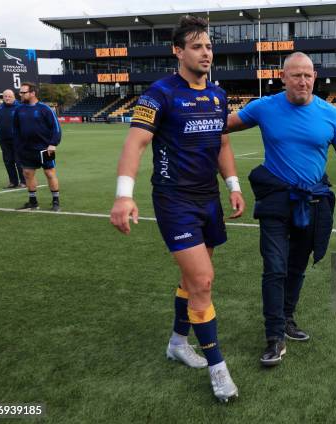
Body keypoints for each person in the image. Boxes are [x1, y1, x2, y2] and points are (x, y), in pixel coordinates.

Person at [109, 16, 244, 402]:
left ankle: (177, 343)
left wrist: (232, 186)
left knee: (193, 280)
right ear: (178, 51)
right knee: (202, 281)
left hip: (208, 199)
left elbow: (221, 145)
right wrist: (123, 194)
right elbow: (135, 143)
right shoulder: (159, 94)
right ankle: (219, 370)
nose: (206, 53)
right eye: (197, 46)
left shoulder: (218, 95)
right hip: (174, 201)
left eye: (209, 46)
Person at [227, 52, 336, 367]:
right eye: (296, 75)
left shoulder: (329, 113)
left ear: (315, 77)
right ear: (283, 77)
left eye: (308, 75)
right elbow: (222, 126)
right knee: (275, 267)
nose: (302, 81)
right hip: (275, 202)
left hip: (312, 203)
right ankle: (274, 336)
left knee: (297, 267)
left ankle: (287, 318)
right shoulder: (264, 107)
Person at [13, 82, 61, 211]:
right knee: (28, 173)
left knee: (49, 173)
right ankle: (33, 202)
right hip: (27, 149)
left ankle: (56, 201)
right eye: (20, 92)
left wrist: (53, 144)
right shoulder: (19, 109)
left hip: (45, 148)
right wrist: (18, 146)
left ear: (33, 93)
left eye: (23, 92)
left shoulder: (45, 109)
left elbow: (56, 128)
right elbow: (16, 129)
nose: (21, 95)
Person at [0, 90, 26, 189]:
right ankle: (13, 181)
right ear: (3, 97)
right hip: (3, 139)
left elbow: (24, 123)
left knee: (19, 161)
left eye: (9, 96)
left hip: (17, 139)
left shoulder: (20, 107)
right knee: (8, 161)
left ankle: (24, 181)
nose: (7, 98)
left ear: (14, 97)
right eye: (5, 96)